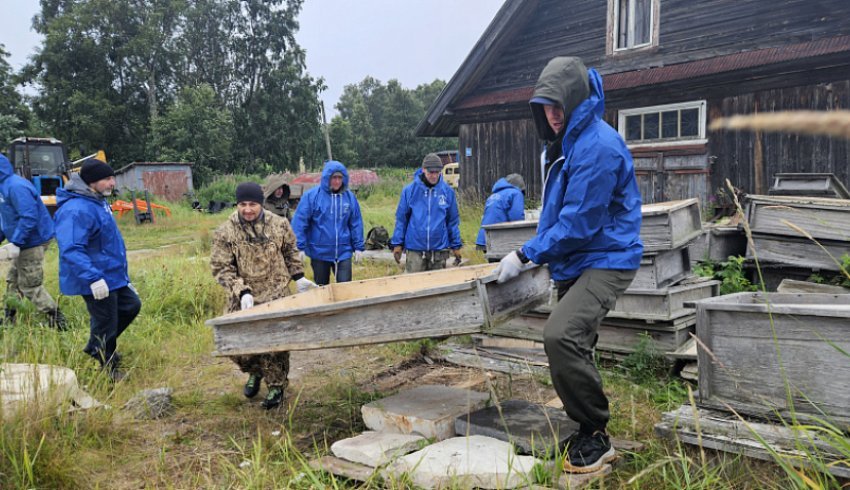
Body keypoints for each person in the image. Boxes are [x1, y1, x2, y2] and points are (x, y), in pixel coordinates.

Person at [493, 57, 643, 473]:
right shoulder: (566, 142)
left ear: (577, 100)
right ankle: (585, 424)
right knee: (579, 344)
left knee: (560, 335)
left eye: (559, 104)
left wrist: (526, 254)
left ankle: (595, 433)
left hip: (606, 257)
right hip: (578, 257)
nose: (553, 114)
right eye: (545, 105)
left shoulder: (597, 145)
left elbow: (578, 222)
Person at [210, 182, 317, 409]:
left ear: (260, 204)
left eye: (252, 204)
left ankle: (277, 385)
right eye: (242, 204)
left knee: (275, 345)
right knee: (234, 343)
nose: (248, 209)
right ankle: (255, 372)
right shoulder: (225, 231)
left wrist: (298, 276)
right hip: (243, 296)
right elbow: (221, 267)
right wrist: (242, 290)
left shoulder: (278, 224)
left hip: (274, 292)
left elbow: (289, 250)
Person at [54, 159, 142, 381]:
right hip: (93, 278)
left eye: (112, 178)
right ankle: (108, 368)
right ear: (92, 182)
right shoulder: (75, 210)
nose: (112, 182)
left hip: (111, 276)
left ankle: (98, 345)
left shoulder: (97, 202)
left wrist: (123, 277)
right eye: (107, 179)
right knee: (105, 322)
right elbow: (72, 249)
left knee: (131, 306)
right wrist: (93, 278)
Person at [0, 153, 66, 329]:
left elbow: (29, 217)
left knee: (29, 284)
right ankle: (8, 319)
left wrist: (16, 242)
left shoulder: (15, 186)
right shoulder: (3, 186)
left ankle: (57, 320)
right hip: (23, 240)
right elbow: (6, 219)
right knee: (13, 281)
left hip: (33, 240)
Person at [291, 161, 364, 285]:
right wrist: (299, 247)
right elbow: (300, 222)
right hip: (319, 252)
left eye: (340, 178)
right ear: (327, 178)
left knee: (345, 289)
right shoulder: (312, 197)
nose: (337, 181)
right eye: (334, 178)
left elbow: (355, 222)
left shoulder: (350, 198)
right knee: (322, 288)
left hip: (343, 252)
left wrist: (358, 247)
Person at [390, 153, 462, 273]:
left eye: (437, 172)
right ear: (423, 170)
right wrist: (397, 244)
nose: (434, 176)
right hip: (415, 249)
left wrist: (456, 246)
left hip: (439, 250)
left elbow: (452, 221)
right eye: (430, 172)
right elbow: (401, 220)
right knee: (413, 287)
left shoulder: (448, 192)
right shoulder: (409, 191)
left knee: (438, 288)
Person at [475, 173, 526, 253]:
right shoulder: (516, 193)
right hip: (500, 238)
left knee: (493, 263)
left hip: (484, 237)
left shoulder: (494, 195)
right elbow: (517, 217)